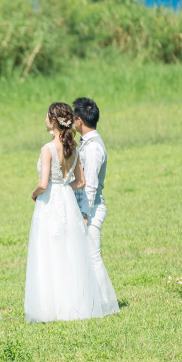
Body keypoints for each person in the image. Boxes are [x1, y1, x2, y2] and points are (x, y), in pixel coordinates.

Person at [24, 102, 119, 323]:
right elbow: (81, 181)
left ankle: (51, 307)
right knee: (69, 252)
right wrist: (66, 187)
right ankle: (75, 303)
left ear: (53, 121)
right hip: (67, 201)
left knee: (49, 251)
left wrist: (34, 193)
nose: (45, 119)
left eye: (47, 116)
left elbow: (44, 183)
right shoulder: (73, 148)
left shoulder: (47, 149)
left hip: (49, 203)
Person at [73, 97, 117, 299]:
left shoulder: (93, 149)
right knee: (87, 257)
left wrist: (84, 213)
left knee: (93, 256)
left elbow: (89, 186)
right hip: (87, 207)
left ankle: (105, 302)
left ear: (80, 120)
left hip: (91, 209)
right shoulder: (88, 144)